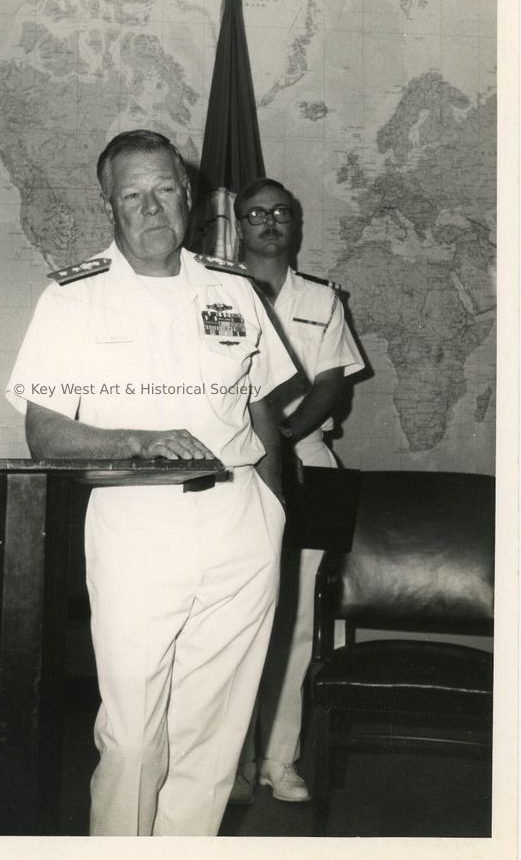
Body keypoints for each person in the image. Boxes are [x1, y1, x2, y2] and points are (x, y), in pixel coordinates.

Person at [6, 131, 297, 836]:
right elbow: (44, 431)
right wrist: (138, 441)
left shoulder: (233, 289)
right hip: (136, 522)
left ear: (188, 195)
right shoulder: (72, 298)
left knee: (211, 736)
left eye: (164, 188)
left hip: (239, 524)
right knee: (135, 734)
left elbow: (262, 417)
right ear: (108, 205)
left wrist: (274, 516)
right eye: (131, 194)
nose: (151, 207)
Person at [229, 176, 365, 805]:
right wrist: (258, 444)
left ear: (297, 225)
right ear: (239, 224)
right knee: (231, 616)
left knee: (299, 617)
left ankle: (279, 760)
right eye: (256, 214)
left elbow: (331, 386)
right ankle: (231, 758)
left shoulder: (323, 300)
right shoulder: (216, 296)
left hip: (308, 458)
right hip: (233, 463)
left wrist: (279, 440)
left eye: (281, 212)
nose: (270, 222)